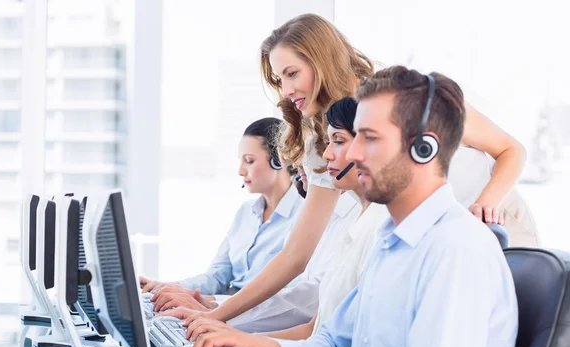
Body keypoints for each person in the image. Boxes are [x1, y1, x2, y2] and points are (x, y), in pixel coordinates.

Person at [165, 12, 535, 328]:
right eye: (279, 80)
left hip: (494, 221)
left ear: (321, 60)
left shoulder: (407, 98)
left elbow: (510, 149)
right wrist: (219, 314)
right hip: (431, 243)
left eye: (292, 73)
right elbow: (296, 255)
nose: (285, 90)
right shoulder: (323, 146)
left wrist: (484, 205)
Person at [190, 67, 518, 347]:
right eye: (355, 136)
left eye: (370, 138)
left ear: (424, 148)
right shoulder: (390, 243)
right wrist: (251, 346)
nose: (354, 153)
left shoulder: (456, 249)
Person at [184, 97, 388, 338]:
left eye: (337, 142)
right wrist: (218, 318)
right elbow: (318, 329)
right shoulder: (343, 222)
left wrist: (221, 320)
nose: (326, 157)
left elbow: (310, 312)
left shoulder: (371, 226)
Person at [139, 117, 304, 311]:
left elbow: (289, 296)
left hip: (257, 318)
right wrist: (166, 288)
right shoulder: (245, 214)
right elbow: (217, 276)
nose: (241, 171)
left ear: (279, 159)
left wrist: (211, 303)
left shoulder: (304, 217)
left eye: (249, 161)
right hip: (222, 310)